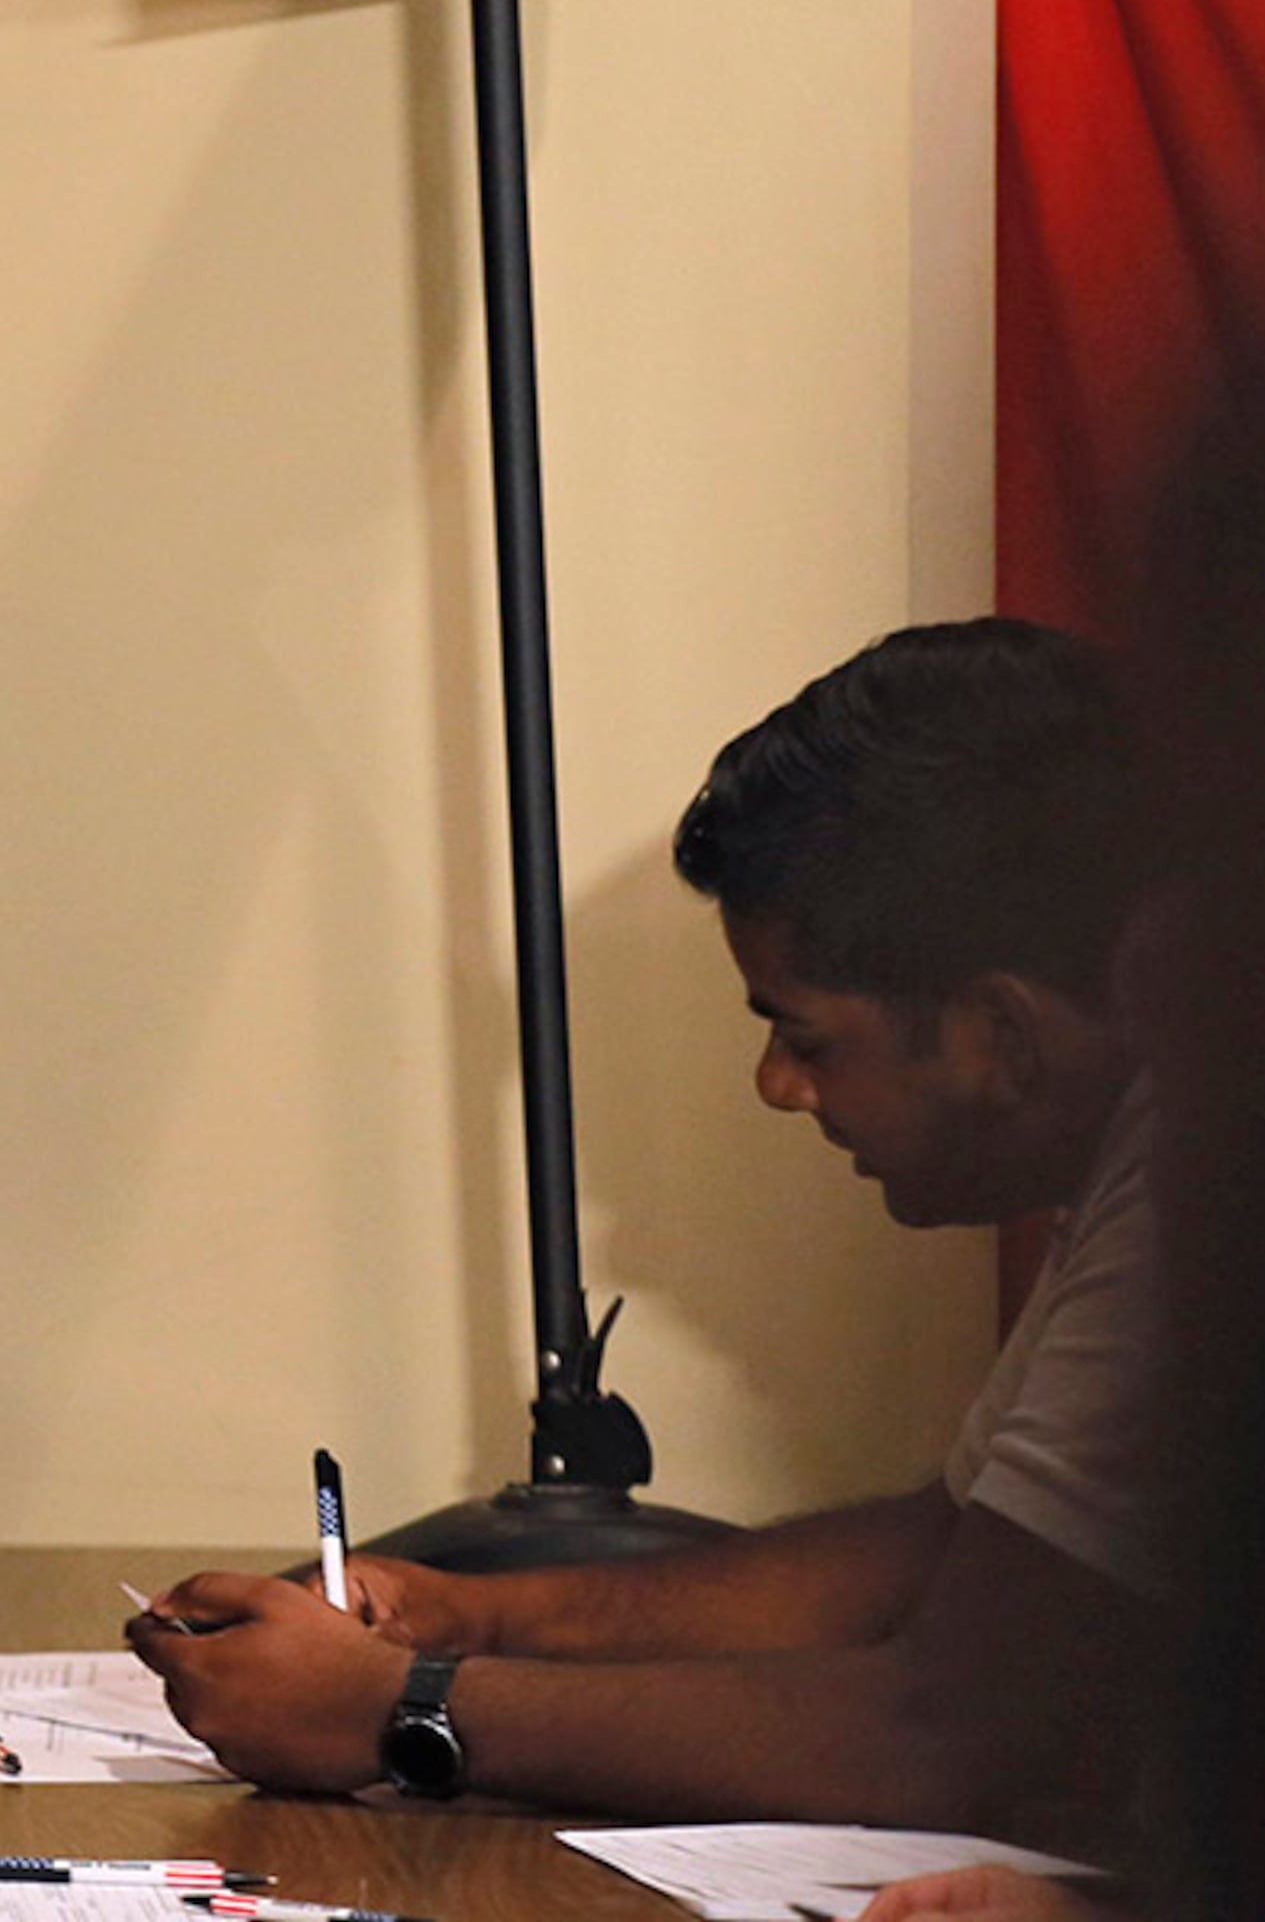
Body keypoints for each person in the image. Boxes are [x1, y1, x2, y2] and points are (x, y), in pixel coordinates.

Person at [132, 619, 1162, 1856]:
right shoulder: (1149, 1136)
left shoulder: (1198, 1194)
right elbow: (943, 1554)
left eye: (810, 1036)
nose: (778, 1086)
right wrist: (472, 1621)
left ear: (1000, 1034)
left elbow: (948, 1731)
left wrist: (397, 1711)